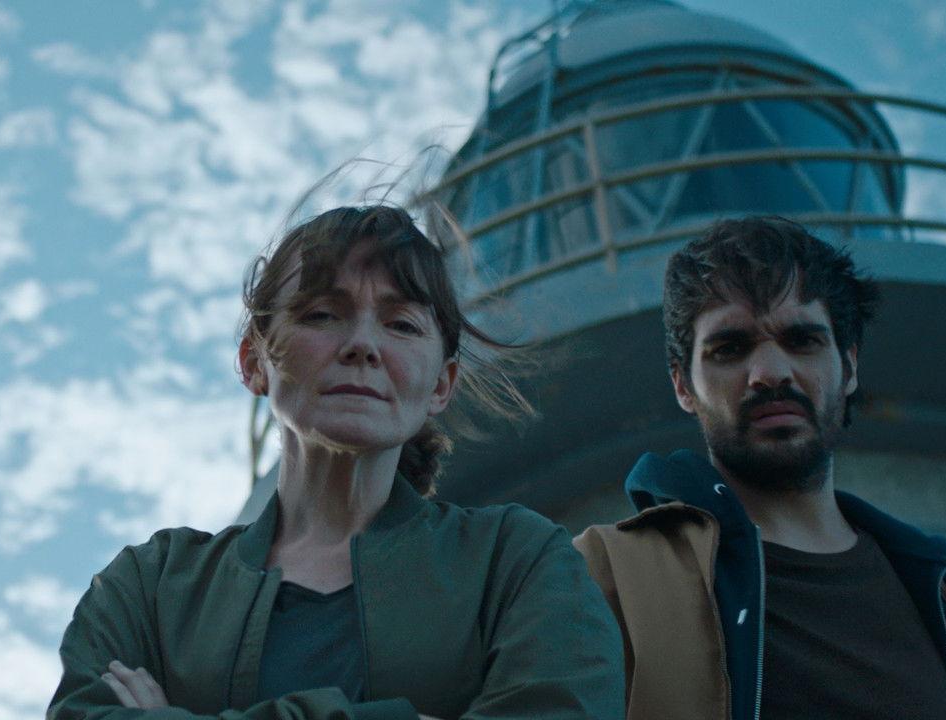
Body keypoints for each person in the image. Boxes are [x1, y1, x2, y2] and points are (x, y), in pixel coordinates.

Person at [49, 205, 624, 720]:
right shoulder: (151, 585)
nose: (362, 345)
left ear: (442, 384)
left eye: (402, 325)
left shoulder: (518, 561)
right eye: (323, 314)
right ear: (254, 360)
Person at [574, 217, 946, 719]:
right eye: (730, 348)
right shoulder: (602, 574)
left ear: (850, 366)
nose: (770, 373)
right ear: (683, 386)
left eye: (802, 341)